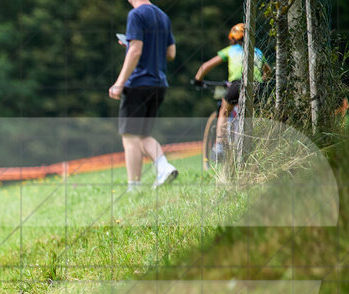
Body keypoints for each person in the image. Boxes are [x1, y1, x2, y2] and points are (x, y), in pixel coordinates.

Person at [109, 0, 179, 191]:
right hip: (159, 84)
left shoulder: (136, 15)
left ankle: (136, 186)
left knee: (130, 136)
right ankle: (163, 166)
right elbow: (171, 53)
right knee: (142, 135)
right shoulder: (163, 16)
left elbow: (135, 51)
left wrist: (119, 83)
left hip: (139, 83)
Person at [193, 23, 270, 160]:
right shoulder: (257, 52)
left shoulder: (231, 50)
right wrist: (262, 79)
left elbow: (205, 66)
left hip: (237, 85)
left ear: (234, 38)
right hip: (257, 88)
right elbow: (268, 72)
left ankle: (219, 146)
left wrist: (198, 79)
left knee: (224, 111)